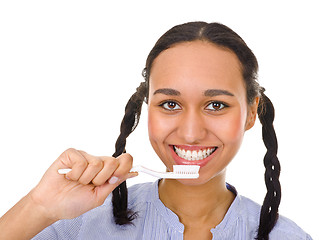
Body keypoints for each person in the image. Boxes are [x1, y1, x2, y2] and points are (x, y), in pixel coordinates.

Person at [0, 21, 312, 240]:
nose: (191, 134)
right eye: (170, 104)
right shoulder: (77, 225)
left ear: (250, 113)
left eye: (216, 105)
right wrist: (38, 208)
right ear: (146, 107)